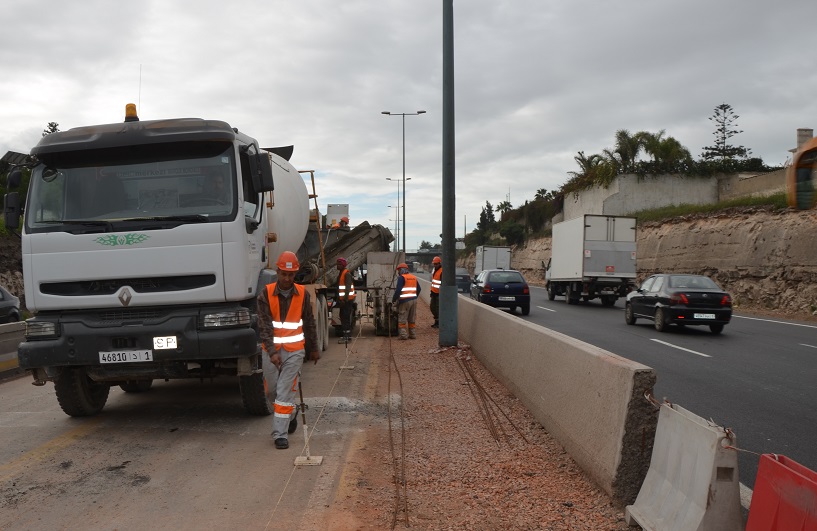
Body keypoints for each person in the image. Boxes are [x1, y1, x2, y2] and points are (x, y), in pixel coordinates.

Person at [257, 251, 320, 450]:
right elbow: (264, 326)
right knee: (273, 392)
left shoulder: (303, 294)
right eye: (284, 274)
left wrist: (314, 348)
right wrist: (273, 352)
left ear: (296, 274)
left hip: (294, 351)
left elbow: (309, 323)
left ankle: (280, 435)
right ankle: (290, 415)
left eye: (291, 275)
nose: (287, 278)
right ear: (278, 271)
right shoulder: (265, 294)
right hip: (271, 351)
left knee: (284, 392)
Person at [392, 262, 420, 340]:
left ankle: (403, 335)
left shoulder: (402, 277)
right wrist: (414, 297)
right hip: (414, 300)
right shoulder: (413, 277)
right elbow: (419, 289)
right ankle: (412, 334)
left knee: (402, 317)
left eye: (398, 270)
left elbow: (398, 290)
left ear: (401, 270)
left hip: (405, 301)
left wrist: (394, 299)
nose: (398, 272)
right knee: (411, 318)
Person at [335, 257, 356, 343]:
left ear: (343, 265)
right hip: (343, 300)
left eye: (339, 264)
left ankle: (347, 337)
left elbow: (347, 288)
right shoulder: (341, 273)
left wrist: (344, 299)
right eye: (337, 264)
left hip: (347, 301)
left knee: (346, 318)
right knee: (343, 318)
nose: (337, 266)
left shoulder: (346, 274)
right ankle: (345, 336)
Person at [429, 256, 442, 328]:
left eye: (436, 264)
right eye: (434, 264)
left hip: (439, 293)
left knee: (438, 308)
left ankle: (439, 322)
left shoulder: (442, 271)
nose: (435, 265)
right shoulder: (434, 270)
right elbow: (433, 282)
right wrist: (431, 292)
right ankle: (436, 320)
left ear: (439, 263)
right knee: (432, 307)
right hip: (434, 292)